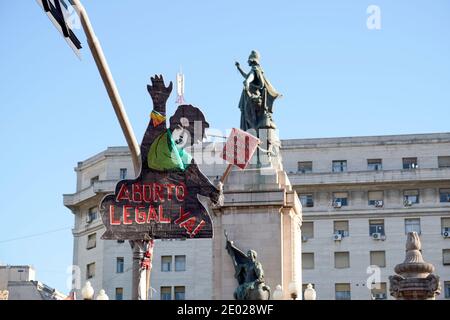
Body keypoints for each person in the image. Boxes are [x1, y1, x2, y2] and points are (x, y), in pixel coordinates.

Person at [235, 50, 281, 131]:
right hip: (250, 95)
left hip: (253, 96)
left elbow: (256, 81)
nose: (247, 62)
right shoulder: (254, 69)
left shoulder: (255, 69)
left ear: (252, 61)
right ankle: (253, 130)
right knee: (248, 116)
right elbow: (247, 76)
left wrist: (248, 83)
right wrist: (239, 68)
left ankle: (254, 130)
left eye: (249, 60)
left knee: (248, 115)